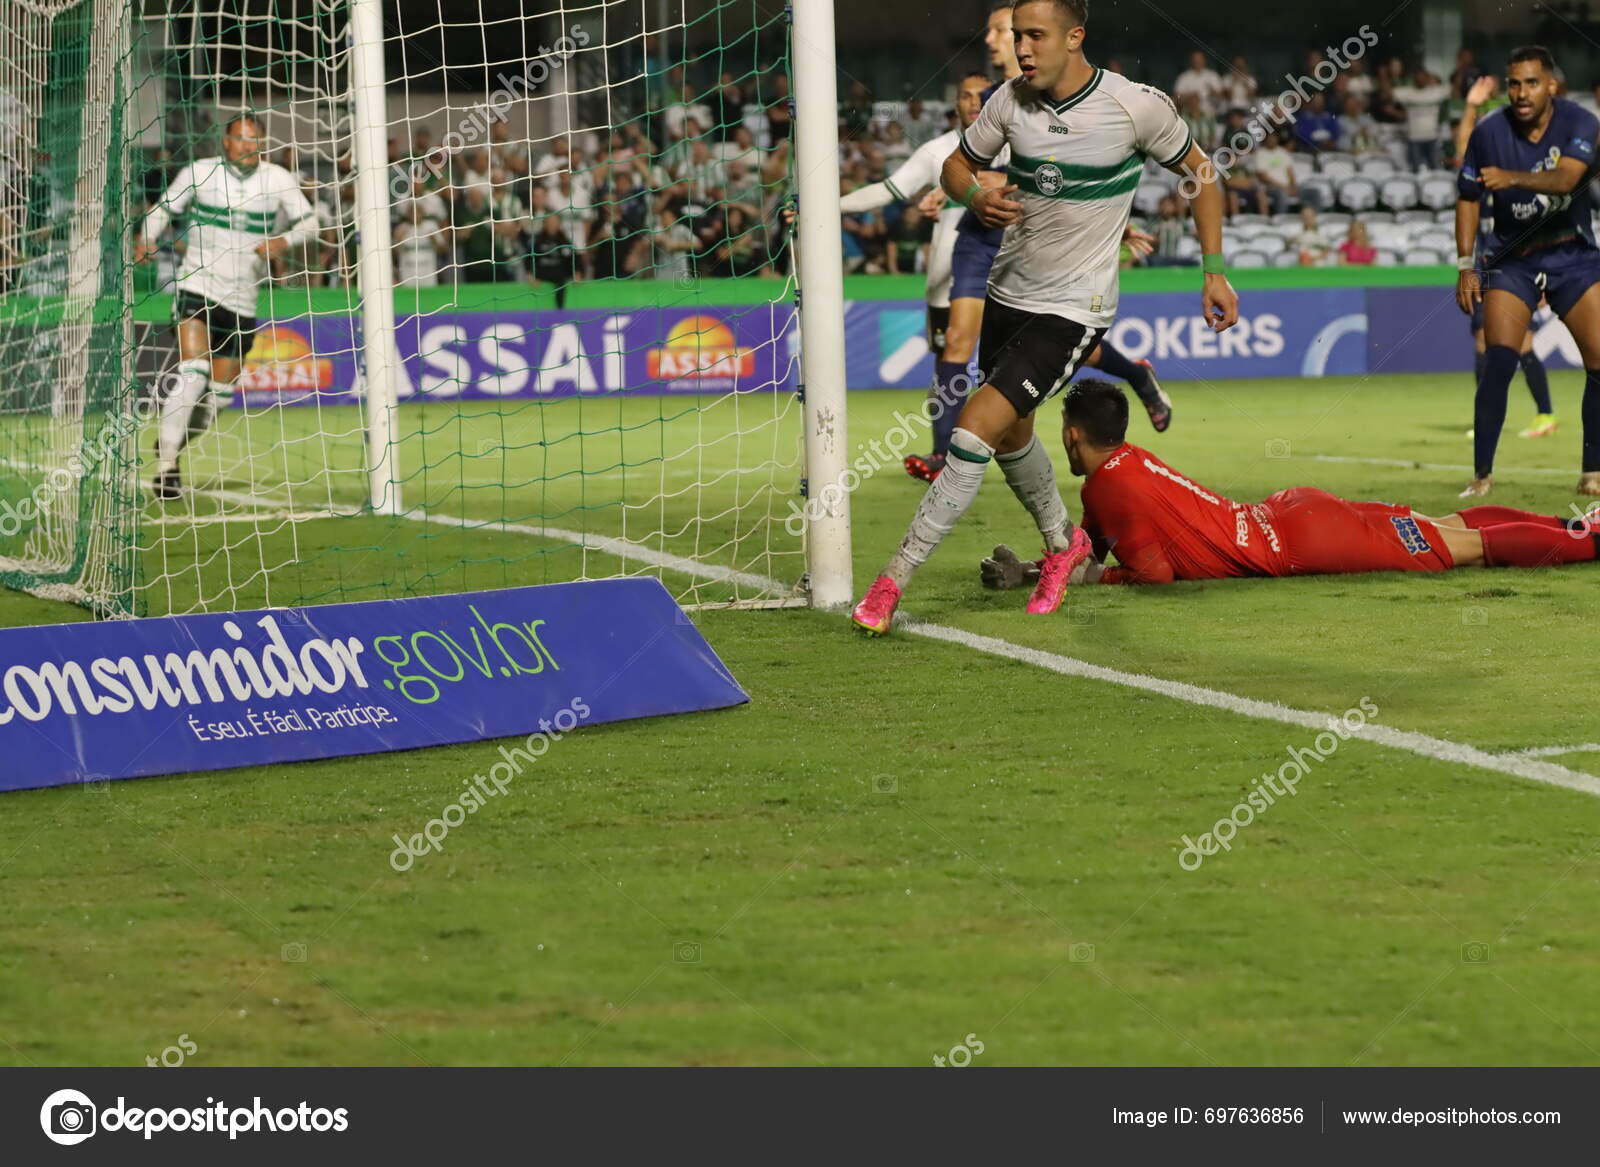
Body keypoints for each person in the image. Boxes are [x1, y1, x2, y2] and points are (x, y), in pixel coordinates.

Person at [849, 0, 1237, 636]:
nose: (1021, 48)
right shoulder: (1007, 101)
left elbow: (1203, 172)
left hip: (1074, 309)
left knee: (973, 432)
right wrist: (974, 193)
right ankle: (1064, 544)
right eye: (1016, 36)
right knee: (1011, 436)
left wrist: (1214, 270)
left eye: (1034, 35)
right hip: (1008, 295)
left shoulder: (1136, 106)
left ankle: (891, 582)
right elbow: (956, 165)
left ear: (1075, 37)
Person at [978, 380, 1600, 590]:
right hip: (1291, 513)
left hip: (1300, 543)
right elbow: (1086, 551)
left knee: (1459, 548)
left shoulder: (1105, 490)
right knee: (1449, 528)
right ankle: (1580, 527)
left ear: (1071, 435)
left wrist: (1100, 578)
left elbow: (1152, 576)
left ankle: (1589, 538)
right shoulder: (1127, 465)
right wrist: (1035, 573)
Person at [133, 114, 318, 499]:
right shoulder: (199, 172)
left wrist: (284, 241)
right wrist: (146, 236)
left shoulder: (278, 178)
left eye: (254, 139)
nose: (247, 145)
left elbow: (311, 224)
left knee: (217, 398)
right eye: (240, 138)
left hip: (242, 300)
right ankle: (167, 468)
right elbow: (164, 208)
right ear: (225, 140)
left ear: (262, 143)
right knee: (193, 370)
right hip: (196, 286)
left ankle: (171, 443)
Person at [1456, 45, 1600, 498]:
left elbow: (1566, 180)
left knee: (1599, 365)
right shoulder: (1487, 132)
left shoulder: (1580, 122)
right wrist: (1465, 265)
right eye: (1514, 83)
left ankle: (1593, 471)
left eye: (1531, 83)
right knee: (1498, 359)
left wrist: (1511, 177)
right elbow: (1467, 196)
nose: (1521, 92)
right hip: (1511, 260)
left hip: (1572, 255)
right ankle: (1481, 476)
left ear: (1551, 86)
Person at [1455, 74, 1556, 440]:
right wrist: (1470, 106)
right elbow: (1462, 149)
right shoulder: (1485, 175)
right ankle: (1489, 415)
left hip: (1517, 268)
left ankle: (1545, 413)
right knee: (1483, 342)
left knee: (1521, 343)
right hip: (1487, 268)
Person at [1394, 67, 1450, 170]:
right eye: (1417, 78)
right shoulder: (1407, 92)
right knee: (1416, 170)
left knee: (1436, 169)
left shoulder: (1436, 92)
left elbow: (1455, 90)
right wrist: (1385, 75)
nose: (1420, 80)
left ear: (1428, 78)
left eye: (1423, 77)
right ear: (1414, 79)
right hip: (1414, 139)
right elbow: (1389, 93)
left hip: (1432, 138)